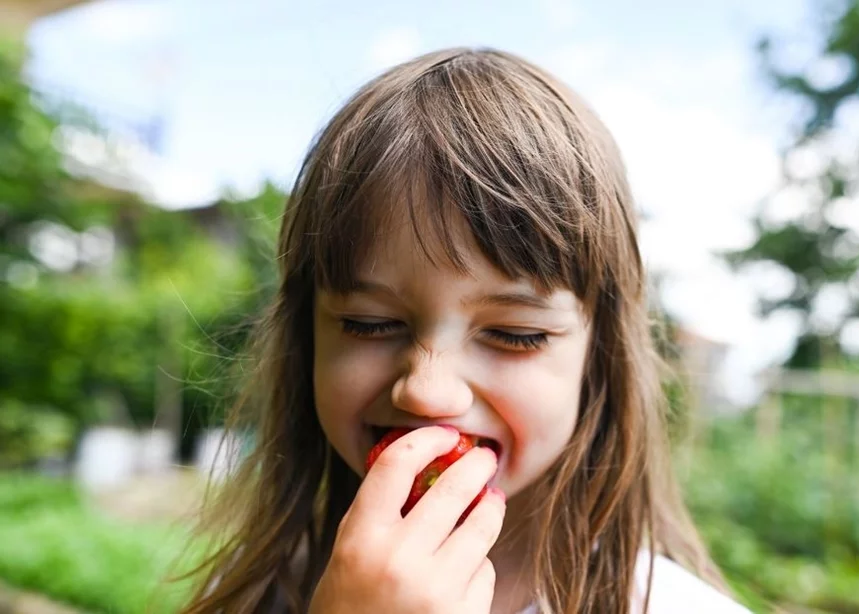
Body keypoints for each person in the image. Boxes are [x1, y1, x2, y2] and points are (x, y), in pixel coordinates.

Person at [177, 47, 750, 614]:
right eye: (368, 324)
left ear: (598, 356)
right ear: (309, 339)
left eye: (516, 334)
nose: (427, 391)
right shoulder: (259, 594)